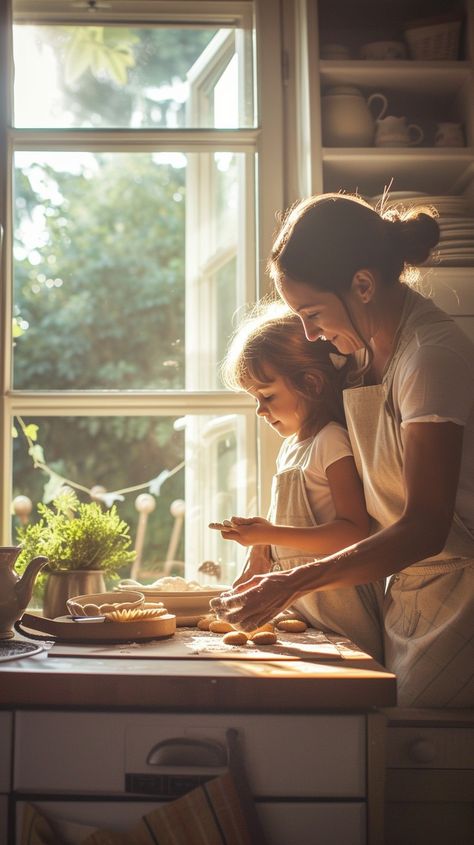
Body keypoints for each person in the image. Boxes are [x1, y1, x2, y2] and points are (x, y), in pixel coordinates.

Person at [211, 193, 474, 708]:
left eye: (312, 313)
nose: (309, 332)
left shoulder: (429, 358)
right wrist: (266, 548)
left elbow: (424, 525)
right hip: (401, 593)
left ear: (363, 284)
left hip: (457, 596)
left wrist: (293, 583)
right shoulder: (357, 352)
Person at [209, 302, 384, 661]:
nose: (260, 410)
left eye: (268, 396)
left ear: (312, 383)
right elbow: (297, 527)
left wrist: (268, 534)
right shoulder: (291, 449)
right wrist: (261, 553)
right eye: (255, 399)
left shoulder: (331, 440)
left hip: (342, 614)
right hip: (306, 611)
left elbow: (353, 532)